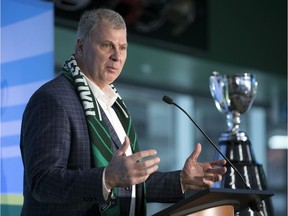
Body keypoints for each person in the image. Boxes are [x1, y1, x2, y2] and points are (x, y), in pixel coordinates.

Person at [20, 8, 227, 216]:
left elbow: (129, 184)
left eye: (123, 47)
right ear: (80, 46)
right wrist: (106, 178)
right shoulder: (53, 99)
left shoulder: (114, 105)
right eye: (107, 45)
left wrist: (181, 180)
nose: (117, 56)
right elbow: (43, 182)